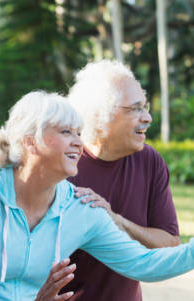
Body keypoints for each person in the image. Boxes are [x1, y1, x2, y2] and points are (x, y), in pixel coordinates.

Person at [0, 91, 194, 301]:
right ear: (30, 141)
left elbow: (144, 262)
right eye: (66, 132)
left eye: (79, 133)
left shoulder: (80, 208)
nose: (78, 143)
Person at [61, 60, 181, 301]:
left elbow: (169, 246)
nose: (147, 117)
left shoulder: (149, 161)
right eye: (135, 109)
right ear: (99, 116)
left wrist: (118, 222)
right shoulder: (61, 163)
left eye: (145, 107)